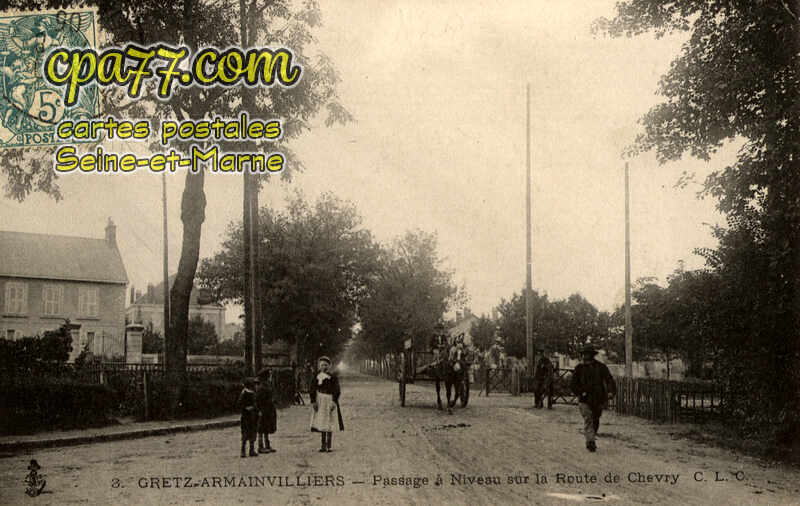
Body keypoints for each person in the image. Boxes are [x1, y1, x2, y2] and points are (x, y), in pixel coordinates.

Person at [570, 345, 617, 452]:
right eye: (584, 354)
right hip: (584, 399)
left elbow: (609, 379)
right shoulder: (579, 368)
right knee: (588, 419)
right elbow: (573, 384)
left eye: (588, 354)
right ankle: (590, 441)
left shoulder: (601, 367)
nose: (585, 356)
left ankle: (591, 436)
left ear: (592, 355)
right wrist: (580, 392)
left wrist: (611, 392)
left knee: (596, 419)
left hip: (598, 398)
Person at [310, 356, 343, 452]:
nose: (324, 367)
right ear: (319, 366)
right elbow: (312, 389)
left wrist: (334, 401)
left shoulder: (332, 377)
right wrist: (313, 401)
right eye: (322, 365)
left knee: (328, 421)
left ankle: (329, 445)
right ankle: (322, 444)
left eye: (326, 365)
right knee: (321, 421)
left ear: (329, 366)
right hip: (319, 399)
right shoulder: (316, 377)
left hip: (329, 399)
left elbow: (337, 390)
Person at [256, 368, 277, 453]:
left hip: (268, 409)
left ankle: (267, 445)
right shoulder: (261, 387)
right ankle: (260, 446)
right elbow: (258, 400)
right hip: (263, 409)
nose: (270, 376)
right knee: (261, 428)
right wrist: (259, 410)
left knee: (266, 427)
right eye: (269, 375)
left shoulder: (267, 385)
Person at [237, 377, 259, 457]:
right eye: (254, 384)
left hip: (253, 416)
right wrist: (246, 408)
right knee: (245, 432)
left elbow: (256, 404)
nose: (255, 386)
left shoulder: (253, 393)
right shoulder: (244, 393)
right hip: (246, 416)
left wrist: (257, 410)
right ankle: (243, 450)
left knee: (253, 432)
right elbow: (239, 403)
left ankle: (251, 450)